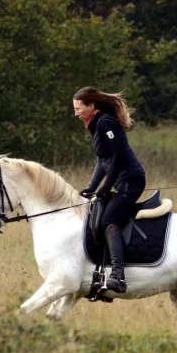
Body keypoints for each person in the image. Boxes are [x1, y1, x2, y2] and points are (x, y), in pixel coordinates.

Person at [73, 87, 146, 293]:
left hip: (131, 180)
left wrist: (105, 188)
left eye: (79, 108)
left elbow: (117, 157)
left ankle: (118, 277)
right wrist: (91, 187)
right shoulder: (95, 125)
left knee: (108, 220)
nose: (76, 113)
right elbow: (102, 161)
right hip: (121, 181)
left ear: (91, 106)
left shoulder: (106, 122)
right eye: (75, 109)